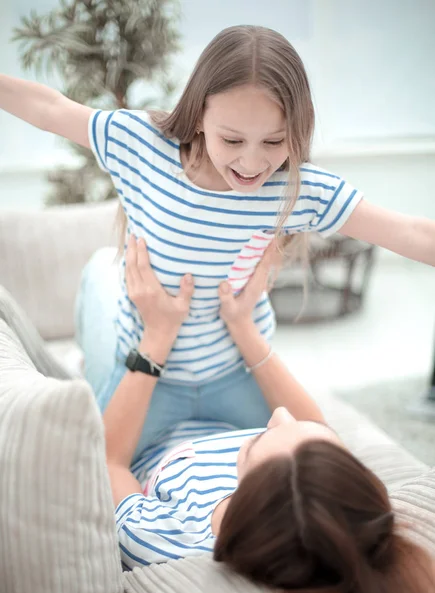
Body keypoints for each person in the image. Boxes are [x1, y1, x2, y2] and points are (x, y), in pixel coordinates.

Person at [1, 25, 435, 459]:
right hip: (149, 371)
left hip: (235, 373)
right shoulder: (142, 143)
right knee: (96, 467)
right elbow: (48, 108)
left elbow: (410, 232)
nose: (251, 162)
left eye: (274, 141)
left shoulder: (299, 189)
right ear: (199, 113)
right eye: (232, 139)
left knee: (320, 462)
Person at [104, 235, 434, 593]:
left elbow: (109, 460)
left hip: (147, 429)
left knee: (102, 275)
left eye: (260, 436)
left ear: (246, 491)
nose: (279, 413)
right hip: (227, 410)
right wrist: (242, 325)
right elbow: (315, 426)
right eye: (314, 437)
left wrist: (157, 336)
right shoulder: (333, 505)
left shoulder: (172, 537)